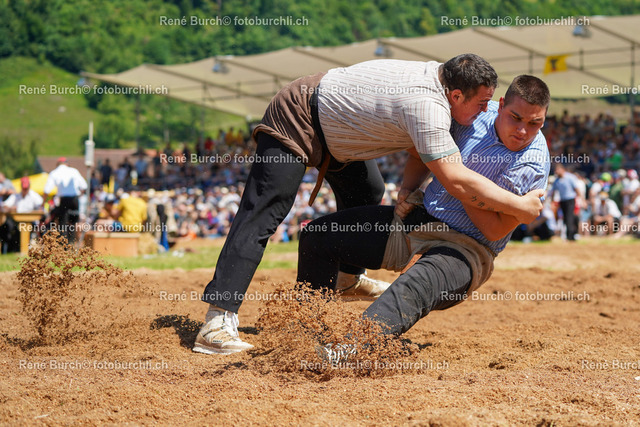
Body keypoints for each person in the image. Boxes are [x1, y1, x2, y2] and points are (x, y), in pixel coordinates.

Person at [193, 55, 545, 356]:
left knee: (368, 190)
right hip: (300, 113)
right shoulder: (432, 107)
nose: (486, 111)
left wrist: (410, 189)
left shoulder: (452, 90)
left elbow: (440, 169)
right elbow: (452, 177)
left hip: (346, 139)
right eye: (484, 104)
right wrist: (519, 206)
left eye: (534, 123)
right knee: (267, 209)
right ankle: (219, 318)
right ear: (456, 95)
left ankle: (347, 284)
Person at [297, 75, 550, 349]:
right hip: (418, 219)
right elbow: (423, 149)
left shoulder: (533, 162)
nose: (522, 131)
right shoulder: (474, 116)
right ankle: (304, 339)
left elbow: (494, 229)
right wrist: (409, 188)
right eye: (515, 118)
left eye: (534, 123)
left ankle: (347, 350)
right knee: (318, 235)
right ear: (500, 105)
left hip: (467, 249)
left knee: (412, 286)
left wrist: (458, 181)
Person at [44, 157, 88, 244]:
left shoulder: (54, 173)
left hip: (64, 200)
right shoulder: (74, 171)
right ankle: (72, 243)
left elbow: (46, 190)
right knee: (73, 223)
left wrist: (43, 202)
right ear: (67, 164)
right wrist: (78, 196)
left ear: (57, 164)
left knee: (63, 223)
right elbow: (84, 186)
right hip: (74, 200)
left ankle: (64, 245)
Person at [547, 164, 580, 241]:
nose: (556, 172)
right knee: (565, 218)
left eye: (557, 170)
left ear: (562, 169)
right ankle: (570, 234)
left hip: (570, 199)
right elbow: (553, 191)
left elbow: (576, 189)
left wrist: (580, 199)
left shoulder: (570, 177)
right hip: (562, 200)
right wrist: (552, 201)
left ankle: (571, 235)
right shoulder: (557, 180)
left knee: (569, 217)